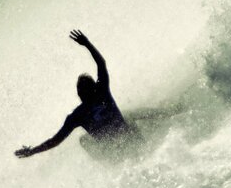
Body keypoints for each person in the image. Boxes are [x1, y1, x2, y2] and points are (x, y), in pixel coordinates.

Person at [14, 30, 144, 161]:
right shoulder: (102, 91)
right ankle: (161, 115)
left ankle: (109, 163)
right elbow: (101, 63)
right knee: (129, 118)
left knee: (84, 141)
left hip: (115, 151)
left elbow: (55, 140)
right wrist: (87, 43)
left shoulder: (77, 115)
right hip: (129, 138)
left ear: (79, 93)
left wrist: (33, 151)